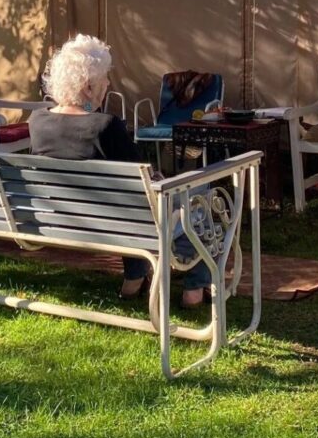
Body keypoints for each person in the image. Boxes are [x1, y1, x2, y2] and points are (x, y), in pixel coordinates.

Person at [28, 34, 210, 307]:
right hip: (124, 221)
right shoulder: (106, 125)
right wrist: (161, 179)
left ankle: (134, 279)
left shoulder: (37, 120)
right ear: (89, 87)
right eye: (105, 78)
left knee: (126, 206)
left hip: (63, 219)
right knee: (198, 193)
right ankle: (194, 287)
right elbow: (143, 184)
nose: (109, 83)